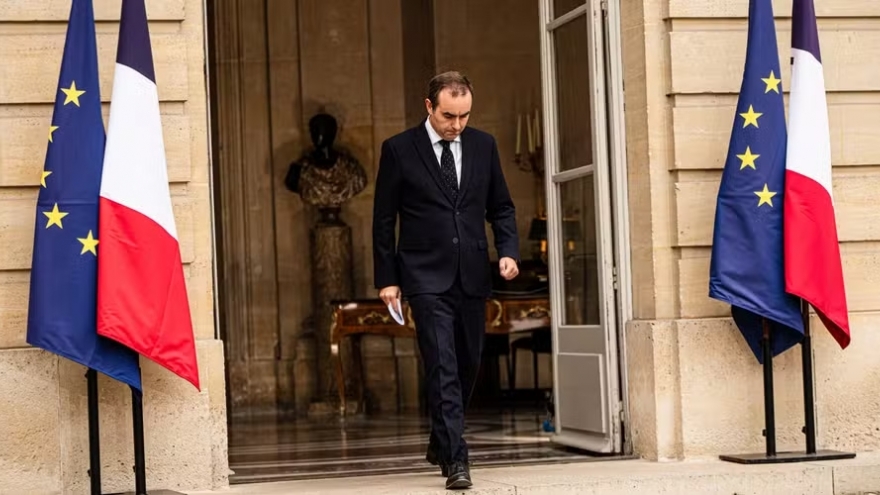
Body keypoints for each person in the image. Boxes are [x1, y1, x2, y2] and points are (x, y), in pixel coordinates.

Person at [372, 71, 520, 490]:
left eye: (464, 116)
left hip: (472, 272)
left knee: (469, 363)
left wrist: (508, 250)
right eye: (448, 116)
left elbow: (501, 207)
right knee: (443, 365)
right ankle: (457, 459)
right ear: (429, 107)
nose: (457, 125)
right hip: (423, 276)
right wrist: (388, 278)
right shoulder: (399, 150)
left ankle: (441, 440)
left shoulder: (484, 145)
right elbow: (383, 220)